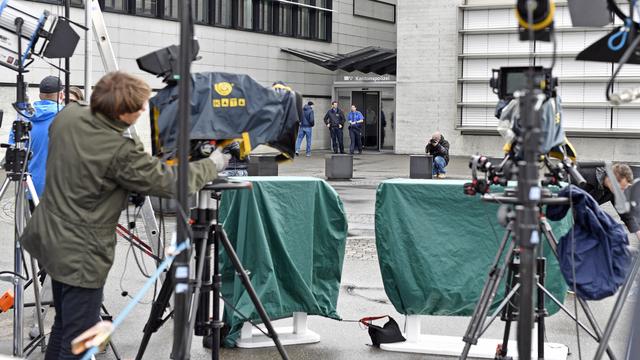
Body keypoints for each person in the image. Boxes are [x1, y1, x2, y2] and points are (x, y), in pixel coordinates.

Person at [21, 71, 230, 360]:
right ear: (123, 111)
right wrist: (214, 162)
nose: (143, 111)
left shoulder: (68, 116)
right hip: (80, 255)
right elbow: (172, 182)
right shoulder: (119, 151)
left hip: (49, 238)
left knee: (63, 326)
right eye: (140, 107)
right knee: (79, 341)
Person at [8, 76, 65, 199]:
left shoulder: (23, 118)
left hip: (30, 186)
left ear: (40, 96)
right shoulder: (67, 116)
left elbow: (13, 150)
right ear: (61, 95)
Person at [580, 163, 640, 238]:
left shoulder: (613, 190)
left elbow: (624, 213)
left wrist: (637, 231)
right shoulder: (582, 175)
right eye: (621, 188)